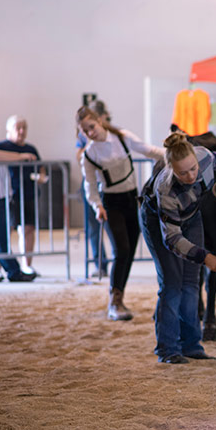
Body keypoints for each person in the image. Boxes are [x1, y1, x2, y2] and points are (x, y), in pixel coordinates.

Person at [139, 132, 216, 364]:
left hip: (192, 215)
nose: (190, 176)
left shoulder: (204, 157)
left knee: (191, 282)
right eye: (182, 173)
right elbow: (172, 238)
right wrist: (205, 255)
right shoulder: (165, 188)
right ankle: (167, 349)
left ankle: (192, 346)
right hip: (160, 223)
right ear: (171, 169)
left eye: (193, 169)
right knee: (172, 283)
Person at [77, 106, 165, 320]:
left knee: (130, 249)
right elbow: (89, 184)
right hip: (110, 202)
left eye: (91, 127)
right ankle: (114, 301)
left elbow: (148, 150)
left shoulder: (122, 137)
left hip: (131, 198)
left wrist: (174, 154)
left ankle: (119, 296)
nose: (90, 133)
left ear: (99, 121)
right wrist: (97, 206)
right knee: (122, 249)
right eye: (85, 131)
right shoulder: (89, 154)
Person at [0, 116, 45, 275]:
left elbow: (41, 168)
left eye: (24, 127)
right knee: (3, 234)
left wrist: (41, 177)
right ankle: (7, 270)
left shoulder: (31, 148)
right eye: (18, 127)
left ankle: (23, 267)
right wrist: (20, 157)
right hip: (9, 196)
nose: (21, 131)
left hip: (22, 194)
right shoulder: (2, 147)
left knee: (25, 229)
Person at [77, 101, 111, 277]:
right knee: (93, 227)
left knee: (113, 227)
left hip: (111, 185)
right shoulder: (85, 136)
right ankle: (100, 264)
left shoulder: (113, 135)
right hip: (92, 184)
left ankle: (117, 261)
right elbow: (79, 155)